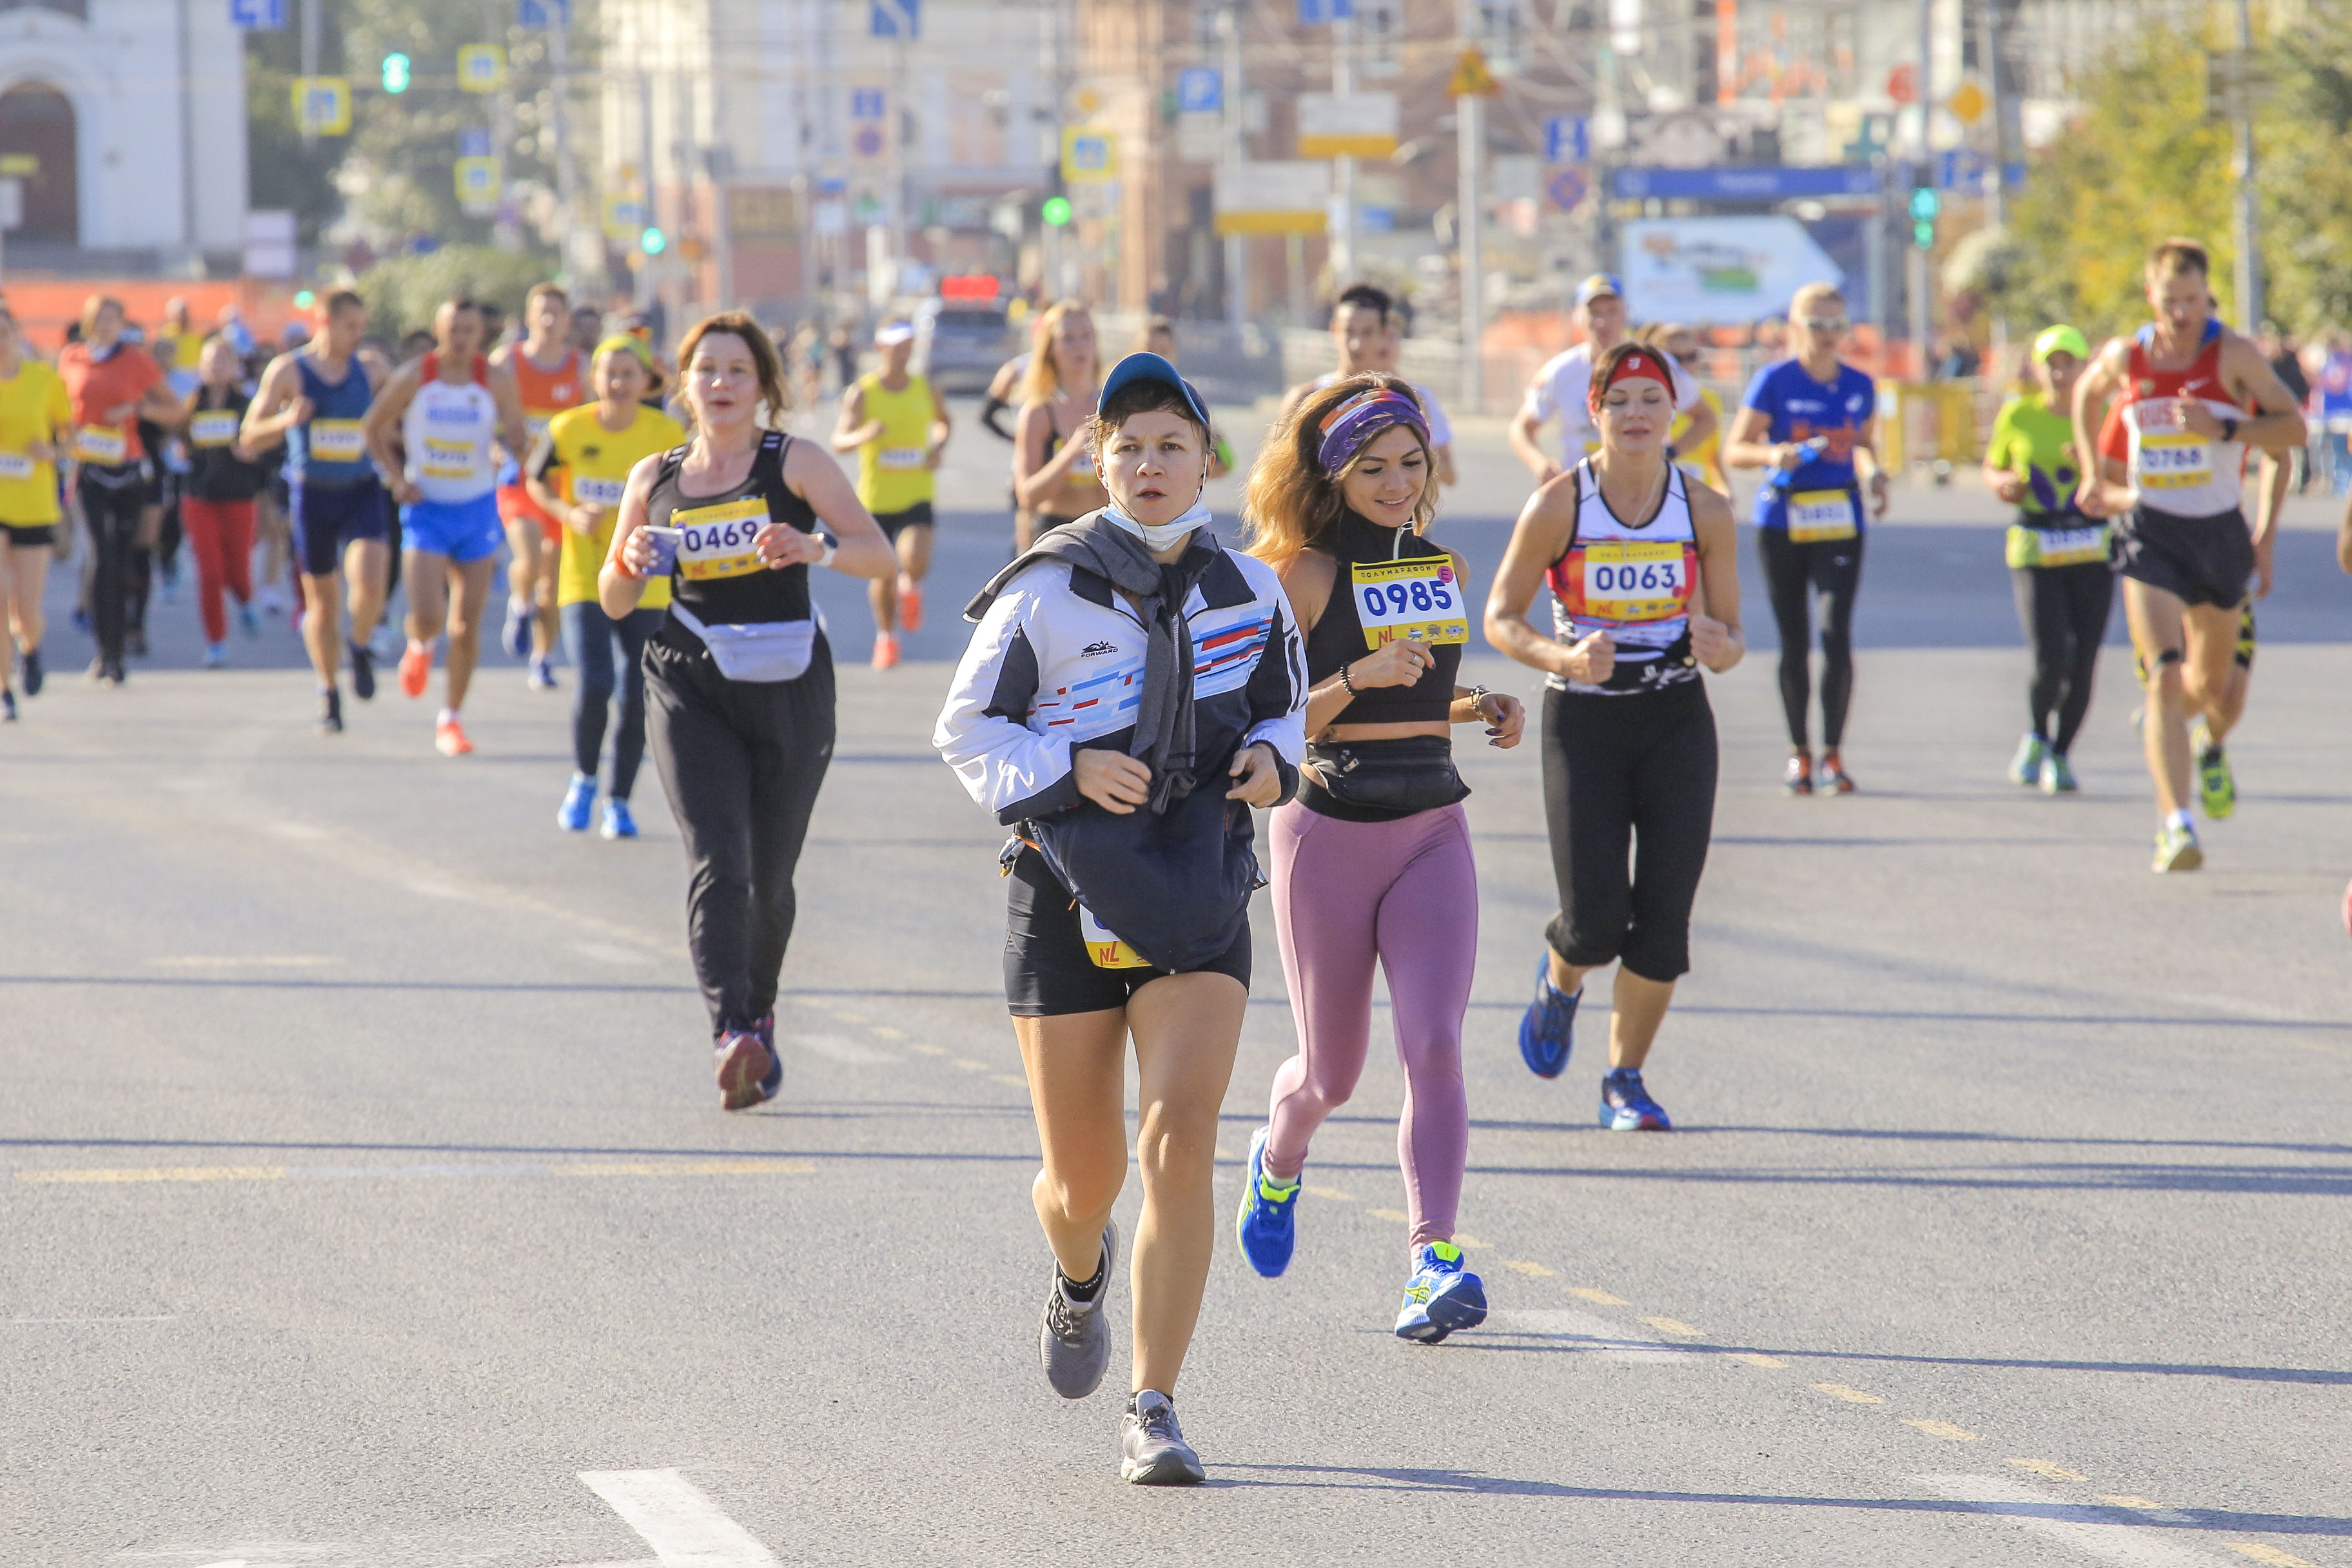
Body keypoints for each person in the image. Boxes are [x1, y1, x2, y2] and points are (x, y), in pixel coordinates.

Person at [935, 351, 1305, 1485]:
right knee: (1082, 1180)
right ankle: (1077, 1271)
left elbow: (1289, 713)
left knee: (1178, 1137)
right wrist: (1071, 764)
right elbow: (964, 734)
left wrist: (1265, 762)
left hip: (1196, 891)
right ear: (1098, 461)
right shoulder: (1043, 586)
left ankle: (1154, 1405)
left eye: (1170, 445)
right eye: (1127, 446)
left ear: (1206, 460)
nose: (1148, 465)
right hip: (1065, 892)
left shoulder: (1253, 588)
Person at [1233, 374, 1525, 1342]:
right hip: (1328, 828)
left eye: (1411, 463)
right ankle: (1277, 1163)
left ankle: (1431, 1261)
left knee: (1436, 1045)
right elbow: (1261, 718)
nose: (1398, 483)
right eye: (1374, 468)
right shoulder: (1300, 572)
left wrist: (1476, 707)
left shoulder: (1441, 566)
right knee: (1332, 1075)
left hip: (1434, 825)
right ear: (1333, 473)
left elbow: (1413, 699)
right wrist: (1353, 674)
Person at [601, 313, 892, 1104]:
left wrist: (816, 548)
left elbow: (878, 554)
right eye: (707, 371)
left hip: (790, 679)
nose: (721, 384)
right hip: (689, 679)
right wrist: (627, 562)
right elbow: (616, 596)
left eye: (738, 371)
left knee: (771, 876)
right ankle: (730, 1028)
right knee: (717, 858)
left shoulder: (794, 462)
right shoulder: (653, 479)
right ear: (684, 384)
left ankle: (757, 1018)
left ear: (763, 385)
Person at [1484, 341, 1746, 1134]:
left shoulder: (1703, 509)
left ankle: (1624, 1078)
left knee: (1664, 920)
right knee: (1597, 918)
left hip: (1674, 717)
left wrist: (1718, 645)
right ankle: (1561, 979)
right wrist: (1563, 656)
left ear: (1674, 413)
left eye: (1650, 399)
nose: (1636, 413)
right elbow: (1498, 616)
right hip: (1584, 720)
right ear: (1593, 413)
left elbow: (1734, 637)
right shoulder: (1563, 504)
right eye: (1619, 400)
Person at [2068, 239, 2304, 872]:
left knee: (2213, 685)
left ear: (2208, 298)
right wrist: (2093, 472)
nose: (2180, 314)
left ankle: (2189, 736)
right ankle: (2176, 823)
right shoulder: (2129, 355)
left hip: (2219, 534)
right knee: (2167, 676)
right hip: (2152, 532)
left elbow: (2294, 432)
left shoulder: (2233, 355)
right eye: (2170, 302)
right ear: (2151, 297)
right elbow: (2086, 393)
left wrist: (2224, 430)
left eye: (2192, 301)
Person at [1721, 282, 1889, 794]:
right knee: (1794, 640)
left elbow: (1863, 446)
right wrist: (1774, 455)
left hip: (1840, 516)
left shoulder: (1860, 384)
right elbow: (1736, 449)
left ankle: (1834, 755)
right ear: (1796, 328)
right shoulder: (1775, 380)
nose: (1827, 335)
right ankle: (1800, 753)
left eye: (1836, 324)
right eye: (1816, 324)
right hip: (1783, 519)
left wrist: (1875, 472)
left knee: (1836, 633)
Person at [527, 336, 687, 838]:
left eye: (628, 374)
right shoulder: (568, 428)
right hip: (584, 577)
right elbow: (535, 479)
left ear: (646, 382)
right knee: (596, 682)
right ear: (593, 380)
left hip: (649, 582)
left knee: (637, 692)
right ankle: (584, 779)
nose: (618, 383)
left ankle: (619, 801)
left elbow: (686, 489)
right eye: (609, 373)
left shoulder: (665, 432)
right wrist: (567, 512)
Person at [361, 297, 531, 756]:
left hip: (476, 508)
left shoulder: (493, 380)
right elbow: (372, 427)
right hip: (427, 509)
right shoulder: (417, 376)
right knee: (430, 614)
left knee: (465, 625)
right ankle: (418, 645)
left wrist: (514, 450)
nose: (460, 338)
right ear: (438, 329)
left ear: (481, 335)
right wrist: (397, 480)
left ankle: (451, 719)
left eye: (469, 330)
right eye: (453, 328)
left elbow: (517, 436)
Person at [243, 290, 394, 732]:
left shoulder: (371, 369)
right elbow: (250, 435)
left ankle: (361, 645)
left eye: (363, 326)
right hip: (313, 495)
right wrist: (285, 422)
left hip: (362, 488)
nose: (359, 335)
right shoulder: (290, 370)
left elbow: (405, 403)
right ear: (324, 322)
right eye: (351, 326)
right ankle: (329, 691)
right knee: (323, 606)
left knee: (370, 580)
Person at [1982, 325, 2112, 794]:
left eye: (2068, 364)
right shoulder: (2020, 414)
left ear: (2084, 368)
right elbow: (1994, 466)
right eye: (2050, 364)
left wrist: (2093, 464)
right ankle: (2037, 733)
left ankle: (2061, 753)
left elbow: (2125, 474)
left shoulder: (2102, 415)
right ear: (2036, 369)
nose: (2059, 373)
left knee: (2085, 659)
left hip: (2091, 544)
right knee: (2050, 656)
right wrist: (2002, 484)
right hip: (2037, 543)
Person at [58, 296, 183, 685]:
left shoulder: (135, 360)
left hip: (127, 468)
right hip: (88, 468)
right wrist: (64, 436)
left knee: (124, 557)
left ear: (122, 324)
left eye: (115, 319)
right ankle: (105, 652)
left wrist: (137, 410)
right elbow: (57, 408)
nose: (107, 326)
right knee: (99, 555)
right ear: (89, 322)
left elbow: (174, 409)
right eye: (101, 319)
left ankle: (125, 639)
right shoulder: (71, 358)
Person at [1511, 273, 1716, 484]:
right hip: (1583, 487)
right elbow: (1522, 427)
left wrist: (1670, 453)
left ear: (1626, 313)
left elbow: (1706, 418)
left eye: (1612, 311)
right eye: (1594, 313)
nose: (1602, 321)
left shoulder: (1655, 364)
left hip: (1646, 486)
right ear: (1578, 316)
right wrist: (1540, 463)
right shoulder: (1561, 371)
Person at [831, 319, 950, 669]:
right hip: (876, 498)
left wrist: (939, 445)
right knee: (882, 572)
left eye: (908, 346)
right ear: (881, 348)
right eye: (896, 346)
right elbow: (839, 440)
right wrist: (863, 435)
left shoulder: (925, 389)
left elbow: (944, 422)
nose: (903, 353)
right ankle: (887, 639)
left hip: (917, 491)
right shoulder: (864, 392)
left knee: (915, 558)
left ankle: (910, 587)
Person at [493, 282, 589, 688]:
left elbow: (592, 422)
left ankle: (543, 657)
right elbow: (480, 414)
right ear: (529, 318)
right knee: (529, 555)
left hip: (562, 485)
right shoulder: (507, 363)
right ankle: (519, 603)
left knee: (551, 579)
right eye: (541, 312)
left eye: (556, 313)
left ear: (567, 321)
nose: (549, 320)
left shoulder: (581, 366)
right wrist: (495, 450)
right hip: (518, 478)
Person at [1279, 284, 1456, 487]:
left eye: (1367, 333)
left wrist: (1409, 458)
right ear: (1334, 330)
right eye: (1349, 332)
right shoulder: (1306, 398)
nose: (1356, 344)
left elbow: (1449, 475)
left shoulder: (1410, 400)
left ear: (1385, 334)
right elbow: (1273, 477)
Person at [181, 335, 270, 667]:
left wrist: (254, 456)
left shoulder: (248, 406)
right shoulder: (191, 405)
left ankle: (246, 601)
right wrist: (180, 451)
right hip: (199, 498)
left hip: (239, 497)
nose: (216, 367)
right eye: (210, 361)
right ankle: (216, 642)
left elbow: (270, 449)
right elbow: (177, 441)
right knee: (210, 574)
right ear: (200, 368)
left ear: (234, 367)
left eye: (223, 360)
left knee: (237, 572)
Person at [0, 306, 72, 720]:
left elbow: (70, 439)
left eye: (4, 331)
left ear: (16, 335)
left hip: (32, 503)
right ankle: (3, 689)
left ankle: (30, 648)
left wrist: (53, 452)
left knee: (25, 609)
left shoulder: (44, 381)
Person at [1012, 301, 1108, 549]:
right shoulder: (1039, 412)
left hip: (1106, 530)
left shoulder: (1112, 406)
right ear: (1051, 348)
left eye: (1086, 336)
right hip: (1055, 533)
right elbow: (1028, 496)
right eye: (1068, 338)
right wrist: (1072, 452)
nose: (1080, 347)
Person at [1654, 324, 1728, 493]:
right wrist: (1667, 456)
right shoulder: (1651, 400)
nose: (1685, 365)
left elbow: (1713, 457)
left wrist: (1725, 489)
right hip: (1661, 489)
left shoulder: (1709, 399)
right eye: (1676, 358)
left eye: (1692, 356)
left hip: (1698, 491)